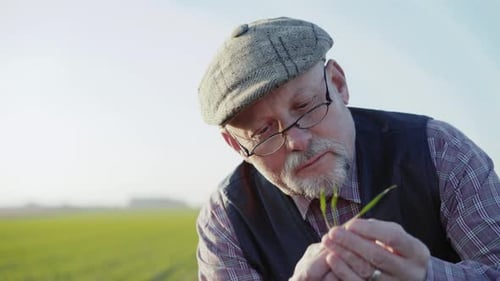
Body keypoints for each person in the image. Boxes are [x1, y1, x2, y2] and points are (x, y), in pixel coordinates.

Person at [195, 17, 500, 281]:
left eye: (305, 106)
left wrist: (427, 275)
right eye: (263, 131)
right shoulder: (226, 221)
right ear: (236, 144)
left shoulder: (438, 150)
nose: (297, 141)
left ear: (338, 84)